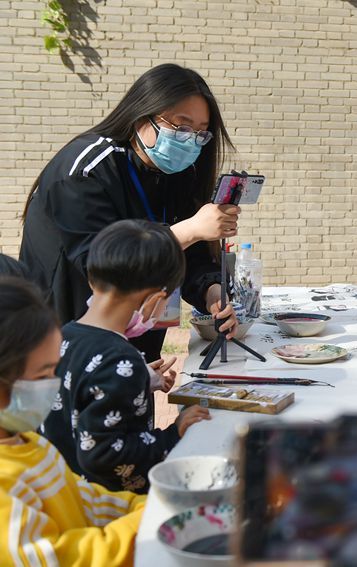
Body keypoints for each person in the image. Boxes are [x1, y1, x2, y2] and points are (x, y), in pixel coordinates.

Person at [20, 63, 240, 362]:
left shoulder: (177, 172)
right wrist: (189, 229)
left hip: (136, 342)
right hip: (66, 344)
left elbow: (190, 256)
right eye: (181, 127)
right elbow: (99, 266)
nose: (190, 141)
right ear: (141, 117)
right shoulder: (86, 169)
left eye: (201, 133)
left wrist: (211, 292)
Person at [41, 220, 211, 493]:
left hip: (64, 489)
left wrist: (141, 379)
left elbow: (82, 396)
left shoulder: (66, 334)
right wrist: (172, 433)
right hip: (104, 505)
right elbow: (105, 454)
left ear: (91, 277)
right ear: (155, 299)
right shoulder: (121, 361)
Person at [0, 276, 145, 566]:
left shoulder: (33, 444)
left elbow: (86, 500)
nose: (52, 385)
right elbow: (59, 558)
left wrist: (156, 506)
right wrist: (146, 524)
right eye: (42, 376)